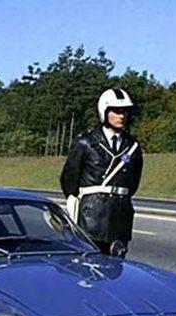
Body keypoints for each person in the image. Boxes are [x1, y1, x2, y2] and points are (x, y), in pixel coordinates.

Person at [59, 88, 144, 257]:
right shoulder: (86, 142)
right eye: (116, 111)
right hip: (90, 218)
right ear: (104, 111)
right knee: (88, 267)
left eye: (124, 111)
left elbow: (133, 182)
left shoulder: (132, 146)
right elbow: (69, 179)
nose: (121, 116)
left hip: (120, 218)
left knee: (116, 268)